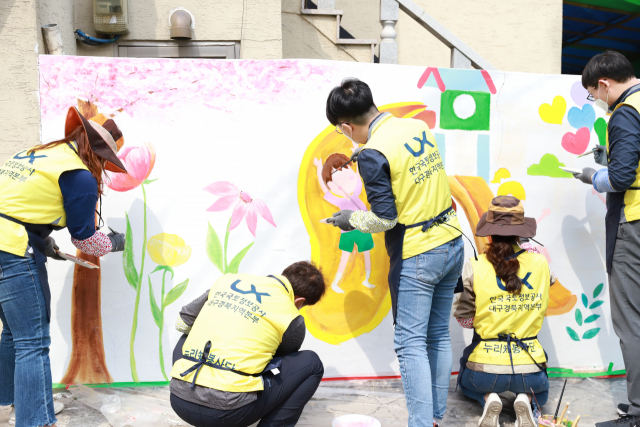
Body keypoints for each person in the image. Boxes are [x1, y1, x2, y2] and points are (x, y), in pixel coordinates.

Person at [324, 79, 464, 427]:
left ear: (346, 126)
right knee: (438, 334)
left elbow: (385, 220)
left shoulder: (373, 153)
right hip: (452, 240)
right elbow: (414, 180)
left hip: (420, 254)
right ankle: (434, 418)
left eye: (343, 133)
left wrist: (349, 219)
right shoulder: (416, 126)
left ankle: (420, 423)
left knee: (409, 342)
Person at [0, 106, 128, 427]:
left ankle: (6, 404)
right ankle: (36, 421)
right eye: (104, 161)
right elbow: (85, 240)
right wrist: (114, 243)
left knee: (13, 335)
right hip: (13, 247)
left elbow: (18, 202)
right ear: (98, 153)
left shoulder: (40, 153)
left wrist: (43, 239)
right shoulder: (79, 174)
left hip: (8, 237)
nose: (103, 168)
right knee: (33, 342)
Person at [169, 261, 326, 427]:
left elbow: (181, 324)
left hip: (180, 400)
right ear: (299, 301)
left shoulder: (227, 281)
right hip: (227, 414)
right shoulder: (292, 316)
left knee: (191, 329)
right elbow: (276, 365)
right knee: (312, 363)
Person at [572, 50, 640, 427]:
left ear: (604, 84)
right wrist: (609, 159)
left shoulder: (625, 112)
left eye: (593, 95)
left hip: (634, 221)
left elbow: (623, 178)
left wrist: (592, 175)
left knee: (631, 318)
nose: (596, 102)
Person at [453, 196, 553, 427]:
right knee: (542, 393)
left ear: (489, 233)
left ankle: (490, 398)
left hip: (485, 369)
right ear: (521, 233)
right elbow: (550, 283)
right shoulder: (540, 263)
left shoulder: (475, 264)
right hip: (530, 365)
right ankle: (525, 400)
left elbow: (464, 319)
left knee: (466, 383)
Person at [314, 153, 375, 293]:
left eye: (348, 174)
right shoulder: (339, 200)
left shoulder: (357, 190)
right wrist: (318, 168)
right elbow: (324, 188)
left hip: (362, 229)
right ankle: (336, 283)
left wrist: (357, 160)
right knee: (345, 257)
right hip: (347, 231)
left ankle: (367, 279)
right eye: (333, 181)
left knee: (366, 254)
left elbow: (359, 175)